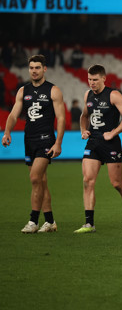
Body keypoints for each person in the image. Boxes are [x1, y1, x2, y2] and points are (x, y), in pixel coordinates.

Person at [2, 55, 65, 233]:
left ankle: (33, 221)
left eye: (37, 67)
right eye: (31, 68)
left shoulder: (53, 90)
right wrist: (7, 132)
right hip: (29, 140)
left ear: (44, 69)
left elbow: (60, 118)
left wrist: (58, 143)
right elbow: (14, 114)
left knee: (35, 178)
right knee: (41, 181)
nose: (34, 71)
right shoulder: (23, 90)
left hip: (46, 139)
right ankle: (51, 222)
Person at [75, 64, 122, 233]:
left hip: (110, 143)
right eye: (89, 79)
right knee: (88, 181)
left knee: (117, 183)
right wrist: (83, 130)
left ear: (103, 78)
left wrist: (114, 132)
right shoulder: (87, 94)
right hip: (93, 142)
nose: (92, 83)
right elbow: (84, 116)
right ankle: (89, 223)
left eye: (95, 79)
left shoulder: (113, 95)